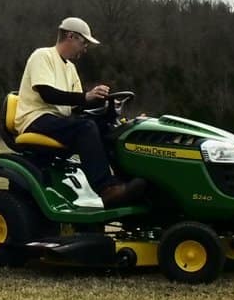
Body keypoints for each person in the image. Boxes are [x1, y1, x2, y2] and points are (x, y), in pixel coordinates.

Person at [14, 16, 145, 206]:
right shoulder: (42, 56)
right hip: (35, 119)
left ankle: (125, 182)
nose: (85, 49)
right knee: (85, 127)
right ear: (70, 36)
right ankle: (107, 189)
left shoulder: (70, 68)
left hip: (57, 121)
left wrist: (104, 103)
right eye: (84, 43)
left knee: (108, 127)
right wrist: (86, 96)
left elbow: (77, 104)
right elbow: (48, 94)